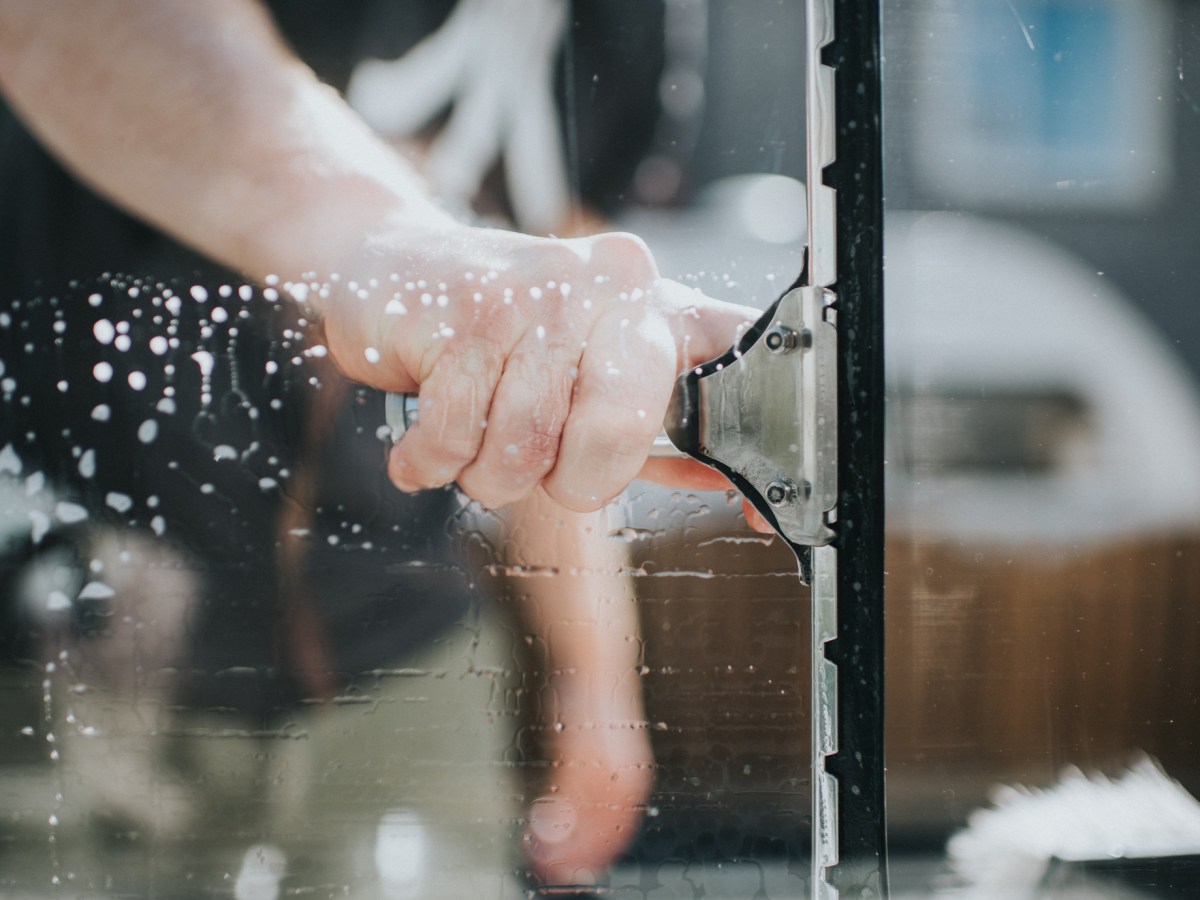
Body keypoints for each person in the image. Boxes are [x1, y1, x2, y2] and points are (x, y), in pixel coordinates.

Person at [0, 0, 754, 890]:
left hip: (401, 649)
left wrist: (596, 688)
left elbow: (562, 333)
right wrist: (390, 240)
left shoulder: (621, 22)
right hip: (79, 631)